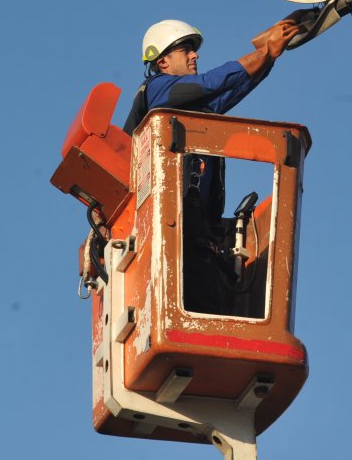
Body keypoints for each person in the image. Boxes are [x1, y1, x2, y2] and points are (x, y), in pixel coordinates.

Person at [122, 16, 301, 314]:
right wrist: (262, 53)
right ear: (163, 62)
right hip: (173, 228)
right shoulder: (156, 90)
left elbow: (232, 90)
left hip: (195, 233)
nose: (195, 55)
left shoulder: (191, 110)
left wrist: (268, 55)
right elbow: (210, 84)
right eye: (186, 50)